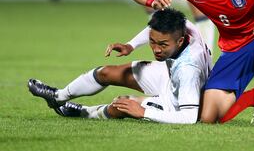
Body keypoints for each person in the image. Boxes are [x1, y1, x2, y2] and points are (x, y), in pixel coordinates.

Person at [27, 8, 212, 124]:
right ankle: (58, 96)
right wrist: (130, 45)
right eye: (152, 42)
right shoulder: (181, 25)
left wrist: (143, 112)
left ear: (180, 41)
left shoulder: (189, 69)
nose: (155, 49)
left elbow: (188, 118)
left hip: (176, 102)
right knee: (107, 72)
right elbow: (153, 28)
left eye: (162, 44)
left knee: (121, 104)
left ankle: (84, 112)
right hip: (169, 75)